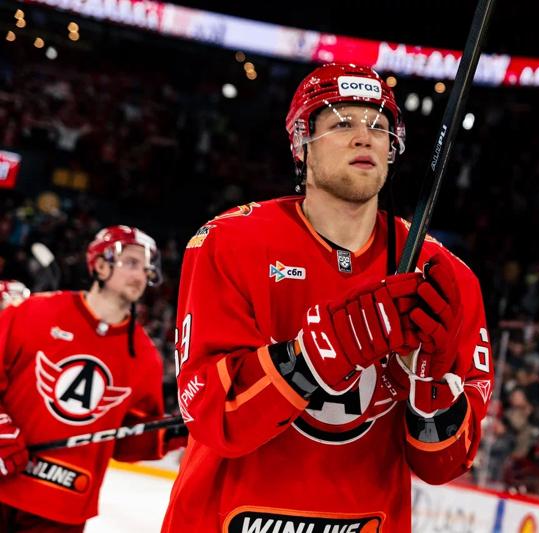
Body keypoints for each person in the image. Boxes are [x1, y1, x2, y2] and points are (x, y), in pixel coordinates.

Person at [162, 63, 494, 532]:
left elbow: (444, 465)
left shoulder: (443, 276)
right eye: (342, 124)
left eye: (378, 126)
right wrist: (318, 354)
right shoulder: (231, 242)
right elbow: (212, 415)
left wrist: (429, 387)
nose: (364, 137)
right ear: (302, 144)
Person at [0, 225, 179, 532]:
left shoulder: (145, 357)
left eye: (146, 267)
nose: (140, 274)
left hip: (62, 509)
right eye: (131, 262)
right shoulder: (34, 312)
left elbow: (128, 441)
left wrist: (177, 431)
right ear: (100, 265)